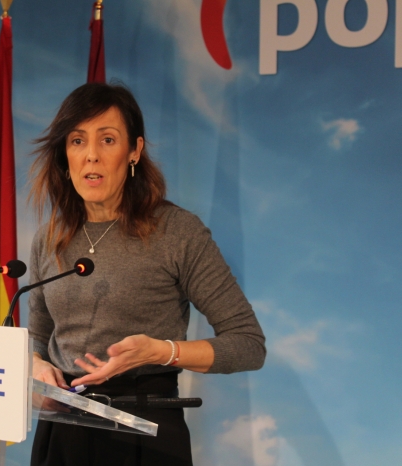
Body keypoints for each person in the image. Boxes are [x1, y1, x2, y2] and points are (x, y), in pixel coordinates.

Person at [27, 82, 266, 465]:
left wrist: (160, 351)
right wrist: (36, 365)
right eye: (77, 141)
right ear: (64, 154)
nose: (91, 155)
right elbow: (38, 338)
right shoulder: (49, 238)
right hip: (63, 432)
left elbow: (249, 345)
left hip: (145, 432)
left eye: (107, 140)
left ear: (134, 151)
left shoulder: (177, 232)